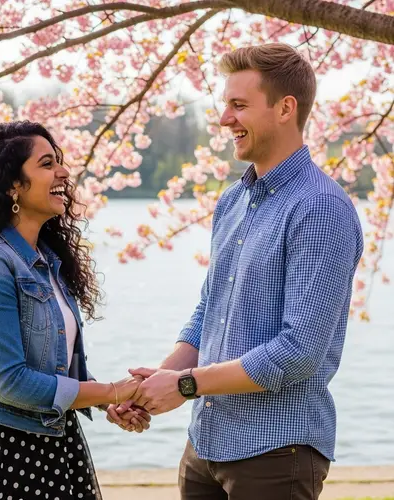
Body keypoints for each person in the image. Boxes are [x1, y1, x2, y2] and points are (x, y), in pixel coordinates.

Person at [109, 43, 364, 499]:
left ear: (286, 108)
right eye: (225, 105)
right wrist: (151, 386)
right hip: (205, 444)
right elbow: (210, 310)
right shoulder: (232, 200)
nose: (224, 119)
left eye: (239, 105)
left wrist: (184, 385)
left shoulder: (321, 209)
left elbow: (298, 352)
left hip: (276, 454)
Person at [0, 120, 150, 500]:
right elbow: (10, 382)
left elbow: (54, 368)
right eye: (47, 164)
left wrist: (112, 400)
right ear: (13, 185)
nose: (63, 171)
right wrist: (109, 391)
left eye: (59, 160)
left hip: (55, 450)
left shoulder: (46, 261)